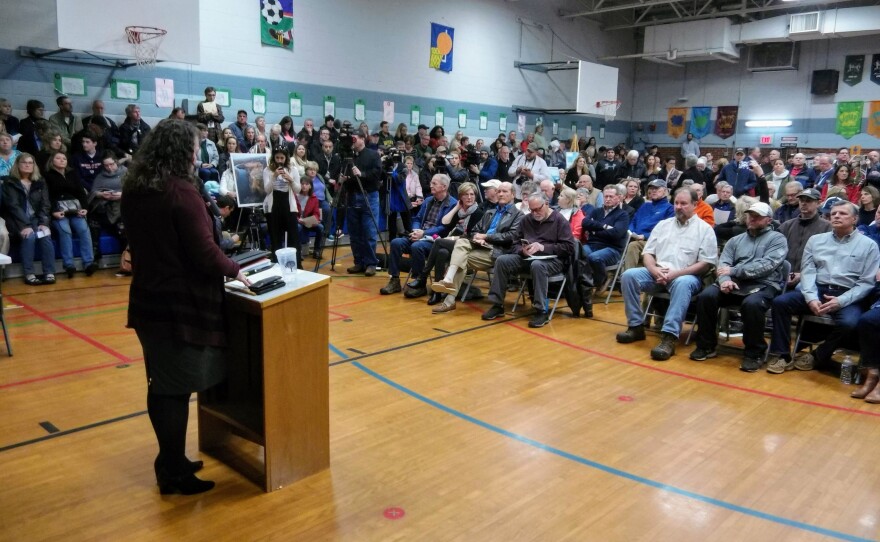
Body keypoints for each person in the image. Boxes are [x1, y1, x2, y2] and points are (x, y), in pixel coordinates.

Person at [121, 119, 249, 496]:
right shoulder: (179, 192)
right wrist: (235, 270)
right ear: (182, 151)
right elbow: (205, 253)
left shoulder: (138, 188)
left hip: (149, 299)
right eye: (194, 147)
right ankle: (172, 471)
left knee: (162, 384)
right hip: (179, 304)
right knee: (173, 389)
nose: (197, 154)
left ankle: (171, 459)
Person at [766, 200, 880, 374]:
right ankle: (782, 354)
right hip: (817, 290)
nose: (836, 216)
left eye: (842, 213)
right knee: (781, 303)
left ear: (855, 219)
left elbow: (866, 282)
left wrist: (840, 301)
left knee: (851, 323)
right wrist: (811, 297)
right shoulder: (816, 240)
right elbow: (808, 272)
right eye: (834, 213)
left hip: (848, 294)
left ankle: (818, 355)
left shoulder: (869, 245)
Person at [616, 187, 718, 361]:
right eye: (676, 203)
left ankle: (669, 337)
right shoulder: (663, 225)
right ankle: (636, 326)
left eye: (684, 203)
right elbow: (648, 253)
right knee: (629, 276)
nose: (678, 207)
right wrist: (653, 269)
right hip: (658, 272)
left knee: (682, 283)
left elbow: (705, 263)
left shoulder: (705, 229)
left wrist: (677, 273)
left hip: (687, 275)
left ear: (695, 204)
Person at [690, 202, 788, 371]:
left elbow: (767, 265)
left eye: (757, 216)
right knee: (707, 296)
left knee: (752, 304)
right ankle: (705, 345)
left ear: (769, 220)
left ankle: (754, 353)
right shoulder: (735, 240)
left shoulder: (778, 239)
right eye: (750, 215)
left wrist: (734, 271)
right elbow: (723, 263)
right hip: (734, 282)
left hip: (764, 284)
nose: (752, 219)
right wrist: (725, 280)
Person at [480, 192, 574, 328]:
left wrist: (543, 247)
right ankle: (497, 304)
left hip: (553, 260)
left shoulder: (560, 220)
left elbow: (568, 247)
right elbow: (515, 243)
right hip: (528, 257)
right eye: (532, 210)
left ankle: (541, 310)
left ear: (546, 204)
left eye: (538, 209)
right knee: (502, 260)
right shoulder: (526, 220)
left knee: (537, 265)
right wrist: (521, 250)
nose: (535, 213)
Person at [431, 182, 522, 313]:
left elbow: (511, 237)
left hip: (498, 252)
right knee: (461, 247)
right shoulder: (490, 212)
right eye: (499, 191)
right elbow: (474, 230)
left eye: (505, 191)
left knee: (460, 256)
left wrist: (486, 237)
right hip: (480, 247)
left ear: (513, 195)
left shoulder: (518, 215)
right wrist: (477, 238)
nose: (501, 194)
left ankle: (448, 294)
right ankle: (449, 286)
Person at [379, 174, 456, 296]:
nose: (430, 185)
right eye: (431, 182)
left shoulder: (452, 204)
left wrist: (424, 233)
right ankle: (394, 280)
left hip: (435, 241)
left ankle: (419, 283)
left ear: (444, 187)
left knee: (417, 247)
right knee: (396, 242)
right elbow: (417, 218)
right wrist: (415, 230)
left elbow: (444, 227)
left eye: (434, 183)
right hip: (419, 235)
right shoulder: (428, 200)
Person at [417, 182, 484, 304]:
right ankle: (437, 292)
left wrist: (450, 239)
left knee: (439, 243)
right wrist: (456, 208)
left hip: (467, 246)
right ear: (460, 197)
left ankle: (423, 277)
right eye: (466, 195)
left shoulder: (478, 212)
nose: (469, 197)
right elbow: (445, 222)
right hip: (453, 244)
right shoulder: (459, 212)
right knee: (442, 252)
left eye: (472, 194)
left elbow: (469, 237)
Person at [1, 154, 57, 284]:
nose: (27, 165)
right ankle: (29, 273)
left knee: (45, 236)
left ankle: (49, 272)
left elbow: (45, 204)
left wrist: (44, 223)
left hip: (36, 219)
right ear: (17, 165)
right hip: (17, 220)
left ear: (34, 166)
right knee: (29, 236)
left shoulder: (40, 182)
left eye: (30, 163)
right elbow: (13, 206)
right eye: (24, 162)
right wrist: (25, 225)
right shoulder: (10, 182)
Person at [43, 151, 97, 277]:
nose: (62, 160)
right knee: (65, 230)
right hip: (58, 210)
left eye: (64, 158)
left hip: (75, 209)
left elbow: (81, 193)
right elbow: (46, 197)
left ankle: (88, 263)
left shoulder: (73, 174)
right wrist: (53, 212)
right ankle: (69, 265)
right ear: (52, 161)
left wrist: (85, 208)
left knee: (84, 229)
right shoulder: (46, 176)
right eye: (58, 158)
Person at [341, 131, 382, 276]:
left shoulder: (373, 154)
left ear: (362, 139)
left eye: (355, 138)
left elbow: (377, 174)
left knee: (369, 231)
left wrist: (362, 174)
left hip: (368, 195)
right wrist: (344, 178)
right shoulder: (349, 156)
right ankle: (358, 262)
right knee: (354, 232)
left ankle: (371, 263)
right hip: (352, 195)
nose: (352, 141)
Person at [621, 179, 674, 272]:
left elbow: (667, 230)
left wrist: (645, 236)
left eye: (657, 188)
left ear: (665, 191)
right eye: (651, 188)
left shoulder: (670, 209)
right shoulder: (645, 206)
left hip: (654, 242)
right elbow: (634, 221)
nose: (653, 190)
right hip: (634, 237)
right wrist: (630, 232)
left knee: (633, 246)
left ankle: (626, 276)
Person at [262, 147, 302, 267]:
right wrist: (274, 176)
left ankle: (295, 265)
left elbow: (298, 190)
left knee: (293, 237)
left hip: (289, 206)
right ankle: (277, 265)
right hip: (273, 207)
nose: (279, 160)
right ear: (273, 158)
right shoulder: (267, 170)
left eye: (282, 158)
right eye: (277, 157)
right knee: (275, 238)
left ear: (286, 158)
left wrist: (290, 180)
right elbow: (267, 190)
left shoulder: (293, 169)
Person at [89, 154, 127, 259]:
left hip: (122, 208)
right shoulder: (100, 176)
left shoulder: (126, 173)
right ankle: (95, 254)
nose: (109, 167)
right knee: (93, 220)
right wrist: (101, 194)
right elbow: (93, 192)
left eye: (111, 164)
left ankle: (125, 258)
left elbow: (135, 190)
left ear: (116, 162)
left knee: (123, 228)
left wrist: (122, 195)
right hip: (105, 207)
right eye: (106, 165)